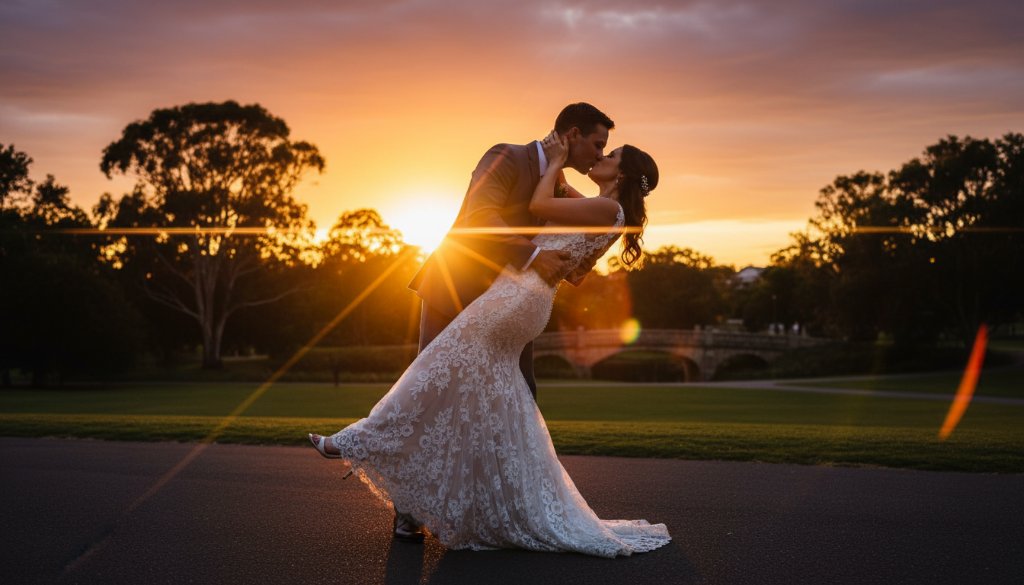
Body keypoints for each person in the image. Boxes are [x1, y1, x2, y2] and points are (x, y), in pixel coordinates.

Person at [308, 125, 671, 557]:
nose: (603, 156)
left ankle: (355, 442)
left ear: (624, 174)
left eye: (612, 155)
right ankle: (502, 502)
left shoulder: (605, 208)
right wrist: (557, 179)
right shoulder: (607, 210)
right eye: (600, 147)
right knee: (502, 398)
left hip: (515, 297)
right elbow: (576, 274)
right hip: (526, 299)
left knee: (435, 367)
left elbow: (539, 204)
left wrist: (554, 162)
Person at [396, 102, 614, 539]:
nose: (599, 154)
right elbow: (481, 217)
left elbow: (573, 262)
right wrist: (534, 255)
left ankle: (506, 507)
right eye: (597, 144)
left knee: (522, 392)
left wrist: (584, 254)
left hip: (507, 306)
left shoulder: (560, 184)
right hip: (454, 290)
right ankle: (408, 507)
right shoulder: (505, 155)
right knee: (431, 390)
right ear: (572, 134)